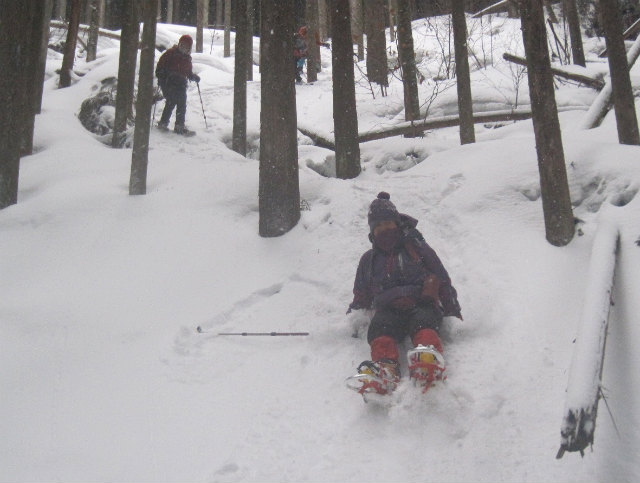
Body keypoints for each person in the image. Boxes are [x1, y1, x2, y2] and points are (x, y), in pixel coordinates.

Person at [347, 192, 462, 396]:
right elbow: (361, 290)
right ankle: (385, 369)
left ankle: (427, 359)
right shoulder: (369, 259)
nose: (384, 229)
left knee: (424, 324)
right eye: (378, 226)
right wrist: (355, 315)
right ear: (373, 232)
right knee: (380, 330)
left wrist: (451, 306)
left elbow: (440, 275)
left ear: (397, 224)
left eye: (388, 223)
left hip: (421, 302)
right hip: (388, 309)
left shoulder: (416, 247)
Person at [155, 34, 201, 136]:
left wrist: (194, 77)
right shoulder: (170, 54)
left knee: (181, 103)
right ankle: (164, 123)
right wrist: (162, 74)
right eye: (182, 45)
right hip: (168, 82)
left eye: (186, 46)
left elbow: (188, 73)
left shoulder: (187, 59)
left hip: (180, 84)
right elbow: (159, 67)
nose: (184, 48)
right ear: (179, 44)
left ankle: (178, 126)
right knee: (172, 101)